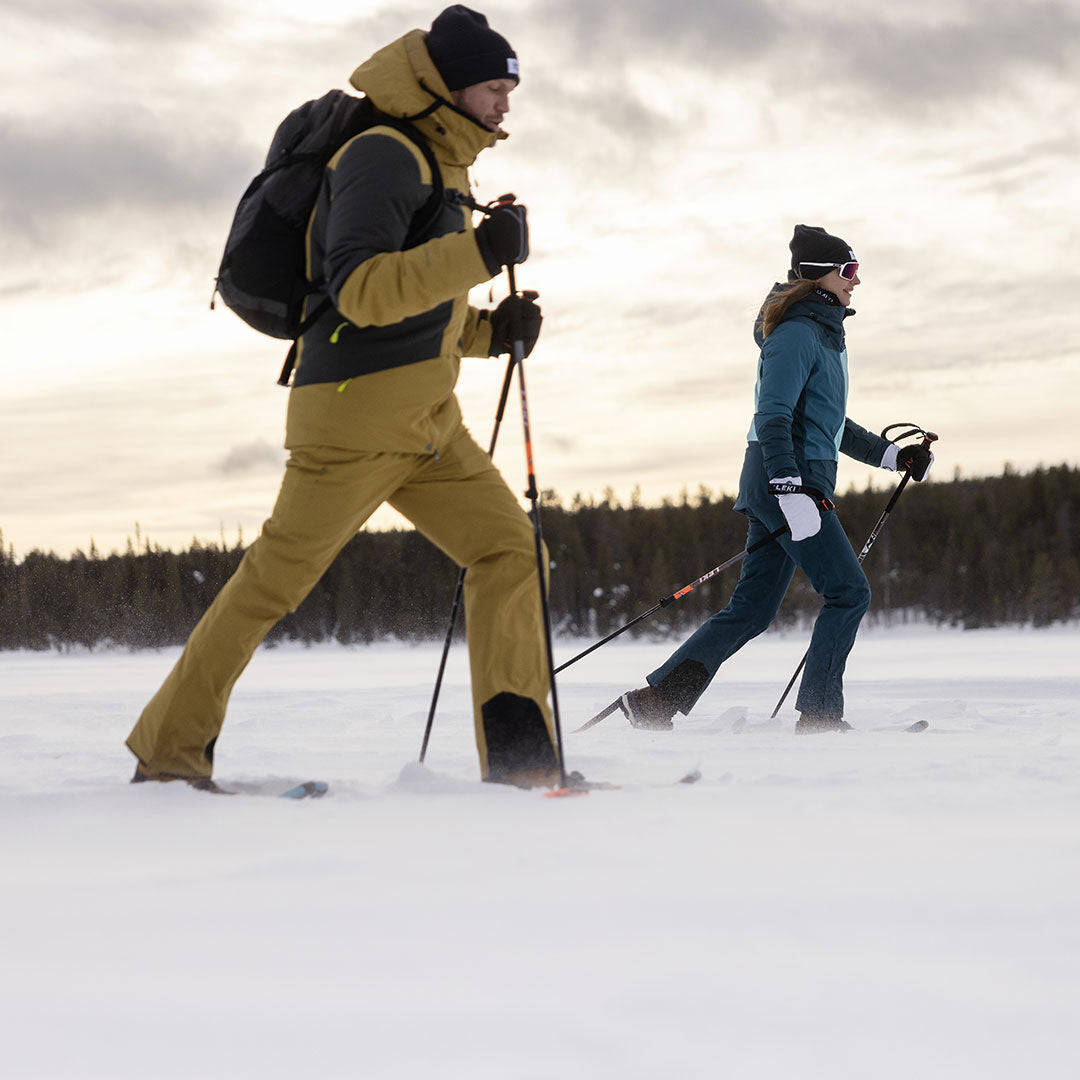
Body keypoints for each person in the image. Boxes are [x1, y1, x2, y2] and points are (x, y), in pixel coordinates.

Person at [127, 6, 562, 789]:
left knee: (511, 552)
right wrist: (477, 254)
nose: (505, 102)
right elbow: (359, 291)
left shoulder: (449, 163)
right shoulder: (383, 154)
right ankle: (167, 754)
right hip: (354, 420)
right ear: (452, 85)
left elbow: (422, 309)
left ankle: (524, 761)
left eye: (509, 87)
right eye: (494, 86)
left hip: (429, 422)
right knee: (271, 587)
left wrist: (491, 333)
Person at [616, 225, 934, 733]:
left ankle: (656, 701)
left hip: (793, 482)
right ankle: (821, 715)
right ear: (817, 276)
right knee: (849, 592)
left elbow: (830, 425)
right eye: (847, 270)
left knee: (753, 609)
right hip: (787, 481)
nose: (856, 281)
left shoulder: (823, 337)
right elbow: (773, 415)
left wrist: (893, 456)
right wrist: (789, 486)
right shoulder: (795, 334)